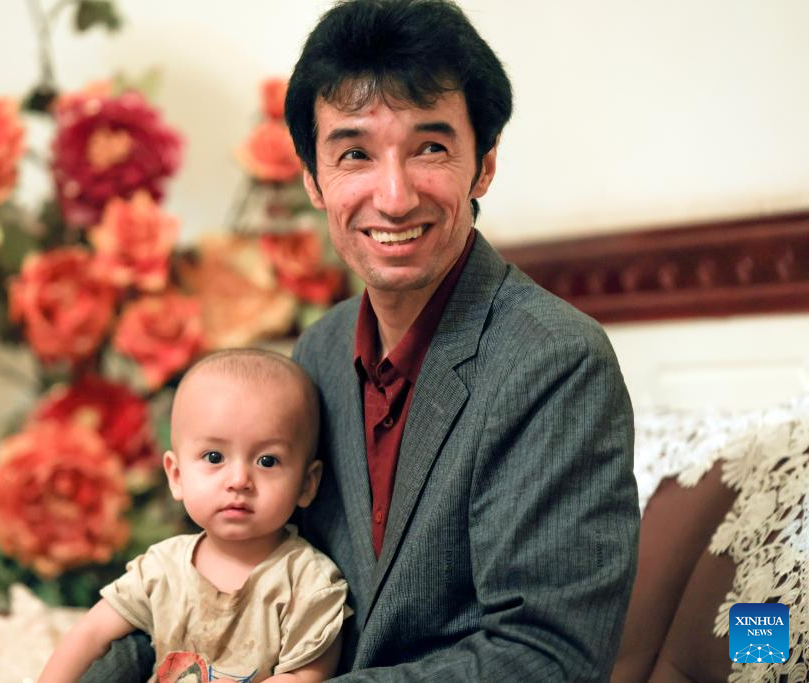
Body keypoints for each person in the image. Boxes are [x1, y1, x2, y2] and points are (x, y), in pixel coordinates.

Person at [85, 0, 639, 680]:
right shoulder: (320, 351)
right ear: (314, 180)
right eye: (355, 154)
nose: (395, 197)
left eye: (430, 148)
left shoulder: (556, 361)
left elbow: (548, 657)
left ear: (484, 164)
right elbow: (241, 577)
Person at [41, 349, 350, 683]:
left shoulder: (307, 583)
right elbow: (90, 635)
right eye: (214, 457)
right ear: (176, 475)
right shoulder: (162, 569)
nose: (239, 480)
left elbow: (304, 677)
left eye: (267, 461)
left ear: (306, 484)